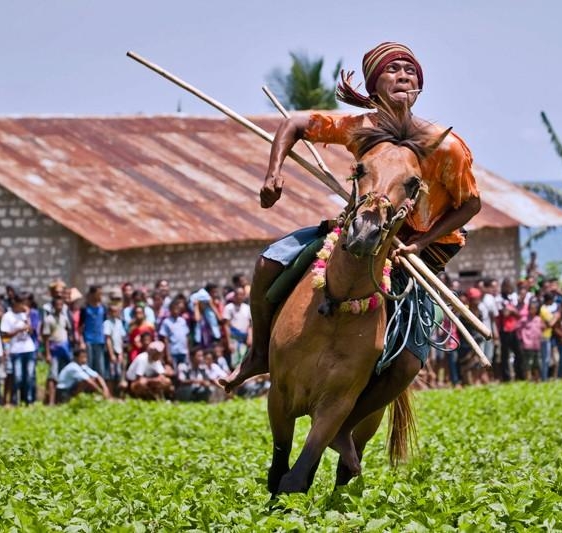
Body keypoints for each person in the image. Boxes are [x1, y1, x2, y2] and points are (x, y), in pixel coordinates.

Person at [219, 42, 481, 448]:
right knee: (271, 261)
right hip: (359, 229)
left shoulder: (444, 145)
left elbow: (471, 203)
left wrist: (420, 242)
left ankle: (345, 425)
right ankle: (258, 353)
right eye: (393, 69)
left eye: (410, 70)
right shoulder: (360, 128)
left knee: (409, 363)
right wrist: (273, 174)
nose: (404, 75)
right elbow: (294, 124)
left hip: (417, 249)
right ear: (375, 85)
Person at [0, 292, 38, 405]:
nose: (24, 306)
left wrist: (27, 317)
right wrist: (18, 330)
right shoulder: (8, 316)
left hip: (29, 349)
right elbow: (4, 335)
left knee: (30, 376)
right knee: (18, 377)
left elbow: (30, 331)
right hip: (15, 350)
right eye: (22, 303)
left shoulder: (24, 315)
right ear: (16, 303)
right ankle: (14, 400)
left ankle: (28, 400)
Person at [42, 295, 73, 405]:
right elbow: (45, 338)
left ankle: (62, 399)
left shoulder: (64, 318)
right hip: (54, 350)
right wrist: (47, 353)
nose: (59, 307)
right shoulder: (48, 319)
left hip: (64, 349)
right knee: (53, 376)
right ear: (53, 306)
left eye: (61, 305)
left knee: (64, 373)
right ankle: (51, 401)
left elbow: (68, 331)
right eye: (57, 305)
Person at [80, 285, 107, 378]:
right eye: (98, 294)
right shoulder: (85, 309)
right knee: (89, 365)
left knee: (100, 366)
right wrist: (81, 341)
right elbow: (80, 327)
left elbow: (105, 324)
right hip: (88, 340)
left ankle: (100, 387)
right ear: (92, 294)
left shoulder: (103, 308)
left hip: (100, 340)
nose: (100, 296)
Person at [223, 287, 252, 368]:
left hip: (244, 338)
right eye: (238, 294)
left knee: (244, 361)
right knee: (234, 363)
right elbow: (226, 326)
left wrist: (250, 337)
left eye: (242, 295)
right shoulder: (229, 307)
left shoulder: (247, 308)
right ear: (234, 295)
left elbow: (250, 325)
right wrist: (229, 342)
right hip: (234, 338)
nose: (240, 296)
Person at [159, 299, 190, 369]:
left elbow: (186, 337)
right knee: (175, 371)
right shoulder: (166, 322)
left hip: (183, 351)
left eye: (178, 309)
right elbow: (165, 339)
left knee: (184, 370)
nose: (176, 310)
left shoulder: (182, 321)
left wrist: (187, 351)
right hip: (173, 352)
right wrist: (168, 354)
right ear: (170, 310)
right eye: (174, 309)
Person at [103, 304, 127, 396]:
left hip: (118, 351)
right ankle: (110, 394)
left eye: (116, 311)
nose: (114, 313)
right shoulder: (107, 323)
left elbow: (121, 339)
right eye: (112, 311)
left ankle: (119, 395)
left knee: (119, 373)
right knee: (110, 374)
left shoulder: (119, 323)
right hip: (110, 352)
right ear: (109, 312)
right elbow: (108, 339)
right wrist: (111, 354)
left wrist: (121, 353)